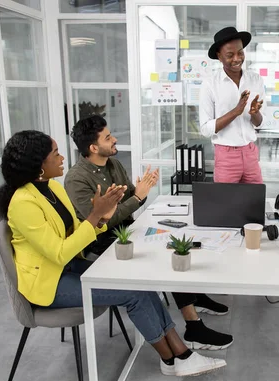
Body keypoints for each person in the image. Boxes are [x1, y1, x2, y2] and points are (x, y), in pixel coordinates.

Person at [0, 130, 226, 376]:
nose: (62, 158)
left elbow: (75, 234)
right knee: (132, 294)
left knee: (140, 283)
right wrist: (95, 216)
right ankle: (172, 359)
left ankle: (179, 356)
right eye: (56, 154)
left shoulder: (52, 188)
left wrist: (102, 216)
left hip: (70, 266)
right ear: (39, 166)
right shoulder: (23, 203)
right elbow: (59, 253)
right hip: (49, 284)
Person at [65, 116, 234, 351]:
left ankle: (195, 298)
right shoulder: (76, 179)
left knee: (178, 240)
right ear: (93, 148)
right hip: (101, 242)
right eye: (107, 137)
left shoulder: (113, 164)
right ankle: (193, 324)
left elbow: (126, 201)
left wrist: (140, 188)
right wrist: (138, 196)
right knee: (167, 256)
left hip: (128, 230)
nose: (114, 139)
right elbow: (101, 221)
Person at [199, 26, 265, 184]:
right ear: (219, 56)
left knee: (254, 202)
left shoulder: (255, 80)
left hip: (250, 153)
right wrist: (236, 111)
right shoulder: (210, 84)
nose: (237, 58)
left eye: (240, 52)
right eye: (230, 55)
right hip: (226, 156)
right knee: (225, 206)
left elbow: (259, 123)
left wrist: (254, 112)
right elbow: (205, 129)